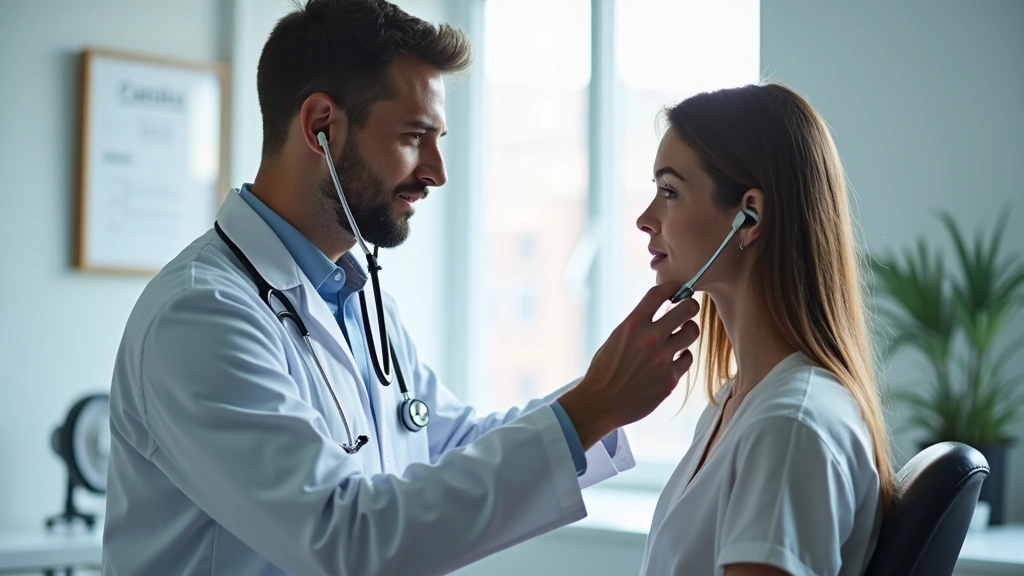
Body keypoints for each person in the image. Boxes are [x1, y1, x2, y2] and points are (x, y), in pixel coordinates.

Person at [101, 1, 701, 575]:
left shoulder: (354, 296)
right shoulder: (203, 314)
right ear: (320, 127)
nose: (436, 171)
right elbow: (344, 538)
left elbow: (447, 444)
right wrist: (588, 408)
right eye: (415, 136)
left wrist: (602, 398)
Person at [634, 83, 895, 576]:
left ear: (749, 215)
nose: (646, 219)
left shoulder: (789, 425)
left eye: (669, 191)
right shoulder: (734, 404)